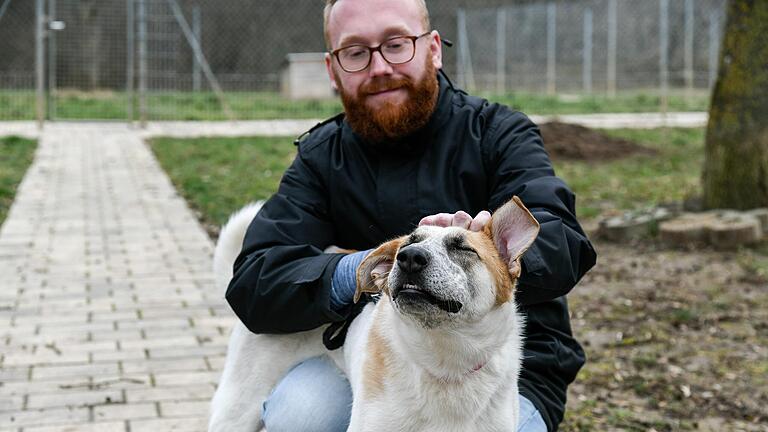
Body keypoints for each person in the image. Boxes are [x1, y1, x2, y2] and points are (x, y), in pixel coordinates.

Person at [226, 0, 597, 430]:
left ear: (434, 48)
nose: (379, 66)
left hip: (507, 369)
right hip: (378, 360)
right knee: (298, 416)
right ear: (333, 69)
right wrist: (362, 269)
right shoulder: (321, 159)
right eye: (356, 52)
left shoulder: (499, 134)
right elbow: (256, 279)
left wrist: (488, 251)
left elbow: (561, 236)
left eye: (396, 44)